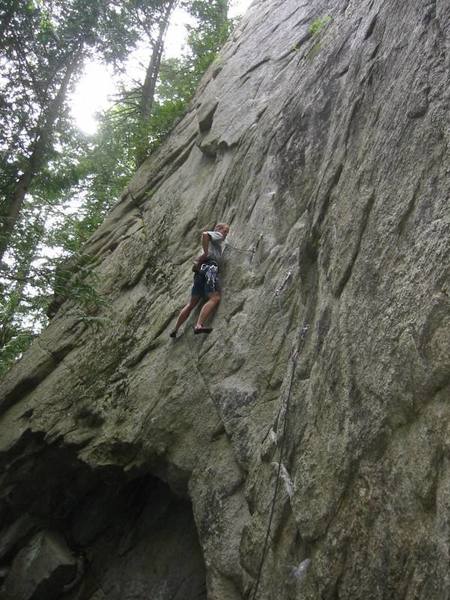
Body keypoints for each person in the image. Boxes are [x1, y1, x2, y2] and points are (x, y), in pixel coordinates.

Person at [170, 223, 230, 337]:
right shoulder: (217, 236)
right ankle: (199, 325)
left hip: (200, 272)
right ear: (218, 229)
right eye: (225, 231)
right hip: (210, 268)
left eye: (227, 232)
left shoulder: (212, 246)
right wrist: (207, 253)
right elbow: (205, 234)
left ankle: (175, 329)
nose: (226, 234)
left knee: (191, 304)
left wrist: (205, 254)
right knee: (215, 297)